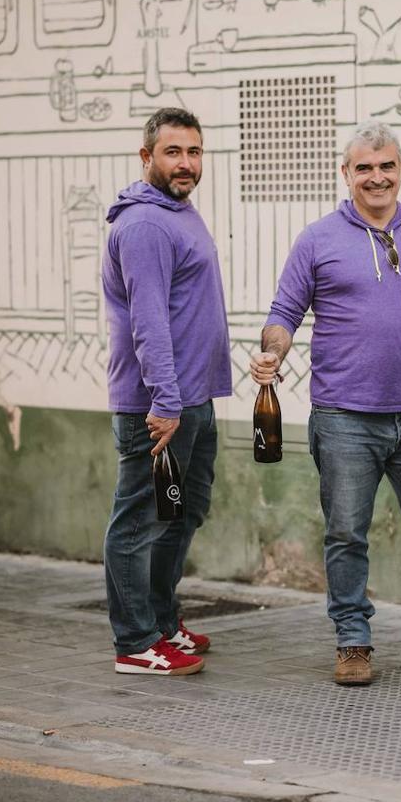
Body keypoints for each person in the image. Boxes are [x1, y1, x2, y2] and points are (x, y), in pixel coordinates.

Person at [249, 121, 401, 688]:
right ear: (347, 174)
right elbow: (283, 314)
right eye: (364, 167)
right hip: (343, 416)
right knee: (346, 533)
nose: (377, 176)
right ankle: (353, 642)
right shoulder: (318, 239)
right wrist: (271, 354)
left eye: (386, 165)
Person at [101, 107, 232, 676]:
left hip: (192, 398)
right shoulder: (145, 225)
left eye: (194, 152)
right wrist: (166, 402)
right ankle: (135, 642)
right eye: (173, 152)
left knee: (181, 512)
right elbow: (148, 321)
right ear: (146, 156)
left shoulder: (178, 211)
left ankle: (162, 620)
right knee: (138, 523)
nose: (186, 163)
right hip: (160, 406)